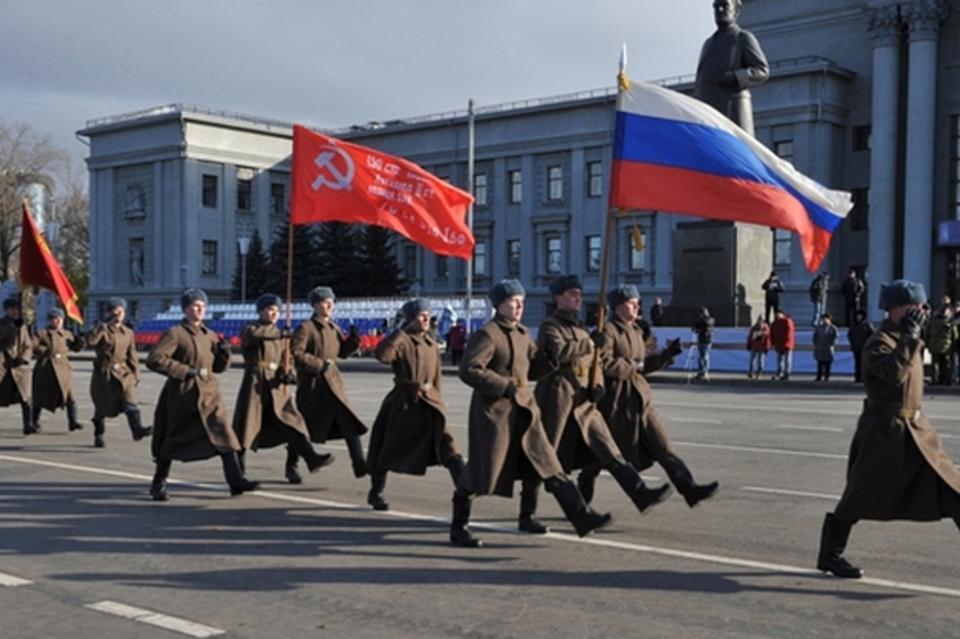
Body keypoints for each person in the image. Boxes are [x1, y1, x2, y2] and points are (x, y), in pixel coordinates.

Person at [451, 279, 612, 547]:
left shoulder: (524, 334)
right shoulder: (489, 334)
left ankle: (576, 516)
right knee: (483, 472)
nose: (519, 307)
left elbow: (532, 371)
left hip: (526, 408)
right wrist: (504, 386)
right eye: (513, 302)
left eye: (521, 302)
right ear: (499, 304)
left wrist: (549, 360)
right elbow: (469, 369)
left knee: (544, 461)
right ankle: (458, 526)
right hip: (497, 413)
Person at [817, 280, 960, 579]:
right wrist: (909, 338)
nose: (920, 312)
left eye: (922, 306)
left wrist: (915, 337)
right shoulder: (879, 341)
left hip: (917, 432)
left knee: (953, 490)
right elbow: (893, 374)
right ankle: (830, 555)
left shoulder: (911, 338)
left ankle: (830, 555)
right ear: (895, 309)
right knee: (857, 497)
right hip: (883, 432)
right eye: (914, 307)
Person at [522, 275, 673, 533]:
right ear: (558, 298)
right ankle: (527, 513)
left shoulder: (583, 328)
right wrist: (590, 343)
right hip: (557, 400)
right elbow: (559, 352)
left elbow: (595, 363)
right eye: (571, 294)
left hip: (584, 399)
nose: (577, 298)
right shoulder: (551, 326)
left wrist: (598, 384)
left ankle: (640, 493)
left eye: (579, 294)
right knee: (545, 456)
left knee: (607, 447)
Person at [580, 284, 718, 508]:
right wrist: (633, 366)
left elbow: (643, 365)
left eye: (637, 302)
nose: (637, 306)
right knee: (601, 456)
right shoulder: (608, 331)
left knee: (663, 446)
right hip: (617, 402)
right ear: (618, 306)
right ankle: (581, 502)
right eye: (631, 303)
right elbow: (603, 363)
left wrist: (666, 355)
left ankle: (689, 489)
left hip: (641, 400)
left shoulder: (636, 330)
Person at [147, 288, 258, 501]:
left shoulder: (210, 335)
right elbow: (155, 359)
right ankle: (159, 482)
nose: (200, 310)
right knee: (172, 439)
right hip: (183, 395)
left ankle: (236, 481)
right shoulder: (175, 333)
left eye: (203, 306)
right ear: (185, 309)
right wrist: (183, 370)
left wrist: (225, 353)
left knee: (225, 434)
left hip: (209, 393)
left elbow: (218, 368)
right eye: (195, 306)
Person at [366, 299, 466, 511]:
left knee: (448, 446)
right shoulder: (403, 340)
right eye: (421, 315)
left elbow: (436, 377)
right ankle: (376, 491)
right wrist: (400, 332)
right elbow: (383, 355)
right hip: (404, 403)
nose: (426, 318)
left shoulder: (431, 343)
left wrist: (439, 401)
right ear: (411, 319)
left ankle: (465, 490)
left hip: (430, 404)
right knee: (387, 449)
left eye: (428, 314)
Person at [231, 293, 335, 485]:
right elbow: (254, 335)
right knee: (245, 427)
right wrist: (281, 334)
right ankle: (238, 473)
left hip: (275, 385)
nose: (275, 314)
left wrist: (288, 373)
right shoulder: (251, 329)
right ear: (260, 311)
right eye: (271, 310)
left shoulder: (281, 335)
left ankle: (309, 459)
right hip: (255, 383)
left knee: (292, 423)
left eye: (277, 311)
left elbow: (286, 359)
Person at [291, 286, 369, 479]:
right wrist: (318, 365)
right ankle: (292, 465)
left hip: (333, 384)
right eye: (325, 302)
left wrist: (353, 341)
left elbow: (342, 352)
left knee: (348, 422)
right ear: (315, 305)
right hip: (313, 386)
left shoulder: (334, 328)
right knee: (303, 427)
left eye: (331, 302)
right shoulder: (306, 328)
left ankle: (359, 463)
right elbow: (296, 353)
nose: (329, 306)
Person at [694, 0, 769, 136]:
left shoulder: (742, 38)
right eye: (716, 7)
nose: (720, 10)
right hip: (709, 113)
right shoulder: (708, 44)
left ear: (736, 10)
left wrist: (736, 77)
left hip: (733, 110)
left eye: (725, 5)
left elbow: (762, 70)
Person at [87, 297, 151, 447]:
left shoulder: (128, 332)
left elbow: (132, 355)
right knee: (102, 408)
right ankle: (99, 434)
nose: (119, 314)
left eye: (121, 311)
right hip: (105, 375)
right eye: (116, 311)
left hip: (124, 374)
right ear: (109, 312)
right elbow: (91, 341)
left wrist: (135, 375)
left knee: (130, 402)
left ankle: (137, 430)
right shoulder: (103, 329)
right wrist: (101, 326)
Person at [31, 308, 85, 432]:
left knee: (70, 396)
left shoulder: (67, 334)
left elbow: (75, 348)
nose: (58, 321)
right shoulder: (42, 333)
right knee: (40, 397)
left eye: (60, 319)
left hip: (63, 368)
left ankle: (73, 422)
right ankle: (34, 422)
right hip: (46, 368)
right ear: (50, 320)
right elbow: (32, 344)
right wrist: (44, 350)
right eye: (55, 319)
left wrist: (80, 341)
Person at [0, 297, 34, 435]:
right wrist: (12, 326)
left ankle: (28, 424)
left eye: (16, 309)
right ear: (6, 310)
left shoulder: (22, 326)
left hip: (19, 368)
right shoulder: (2, 323)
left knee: (25, 397)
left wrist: (24, 358)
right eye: (12, 309)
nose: (15, 311)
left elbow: (28, 345)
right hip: (3, 367)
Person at [925, 304, 957, 386]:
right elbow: (955, 335)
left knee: (935, 364)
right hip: (946, 346)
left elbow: (927, 332)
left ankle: (935, 379)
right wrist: (954, 345)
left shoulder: (932, 321)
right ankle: (946, 380)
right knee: (946, 364)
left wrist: (927, 343)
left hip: (934, 344)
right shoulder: (950, 322)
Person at [847, 310, 875, 384]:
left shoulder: (867, 325)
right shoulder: (853, 325)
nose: (858, 317)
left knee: (864, 363)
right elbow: (849, 335)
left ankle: (863, 377)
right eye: (857, 315)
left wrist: (868, 343)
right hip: (856, 347)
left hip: (864, 347)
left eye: (860, 315)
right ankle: (857, 376)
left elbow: (873, 335)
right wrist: (852, 342)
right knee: (857, 363)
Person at [770, 309, 795, 380]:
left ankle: (787, 373)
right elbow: (772, 333)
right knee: (779, 360)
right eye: (776, 314)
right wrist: (773, 342)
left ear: (782, 314)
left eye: (778, 314)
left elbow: (789, 333)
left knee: (787, 360)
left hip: (787, 344)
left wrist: (786, 342)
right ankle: (780, 372)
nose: (777, 315)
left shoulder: (787, 321)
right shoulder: (775, 323)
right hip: (779, 344)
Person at [813, 313, 838, 381]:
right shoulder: (819, 328)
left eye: (826, 319)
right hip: (820, 348)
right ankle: (819, 376)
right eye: (823, 319)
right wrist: (816, 344)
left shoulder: (833, 328)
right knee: (819, 363)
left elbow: (835, 337)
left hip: (828, 348)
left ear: (829, 319)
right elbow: (815, 337)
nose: (824, 320)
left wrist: (832, 344)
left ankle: (827, 376)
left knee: (828, 363)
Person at [692, 307, 715, 381]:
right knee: (700, 357)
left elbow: (706, 324)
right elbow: (697, 328)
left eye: (702, 314)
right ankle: (700, 372)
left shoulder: (710, 319)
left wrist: (699, 325)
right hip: (700, 340)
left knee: (705, 356)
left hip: (707, 341)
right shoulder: (701, 321)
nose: (701, 315)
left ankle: (705, 372)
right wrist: (696, 327)